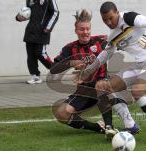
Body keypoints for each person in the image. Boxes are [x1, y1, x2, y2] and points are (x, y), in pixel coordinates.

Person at [75, 1, 146, 145]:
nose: (108, 22)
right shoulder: (113, 35)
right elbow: (104, 55)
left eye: (111, 18)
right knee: (103, 87)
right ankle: (130, 126)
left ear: (117, 12)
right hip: (139, 64)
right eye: (104, 19)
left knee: (137, 91)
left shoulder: (128, 18)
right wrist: (88, 71)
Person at [50, 9, 140, 137]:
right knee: (61, 114)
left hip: (104, 88)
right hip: (84, 91)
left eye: (87, 29)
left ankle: (110, 126)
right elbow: (53, 69)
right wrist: (72, 62)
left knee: (104, 85)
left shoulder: (101, 40)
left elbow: (122, 38)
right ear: (76, 30)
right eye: (81, 29)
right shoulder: (70, 48)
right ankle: (98, 128)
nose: (85, 32)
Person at [16, 0, 59, 84]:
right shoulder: (29, 0)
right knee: (31, 55)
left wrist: (49, 27)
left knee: (40, 53)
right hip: (30, 31)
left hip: (43, 31)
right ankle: (35, 76)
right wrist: (19, 17)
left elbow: (55, 13)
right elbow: (27, 13)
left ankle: (54, 69)